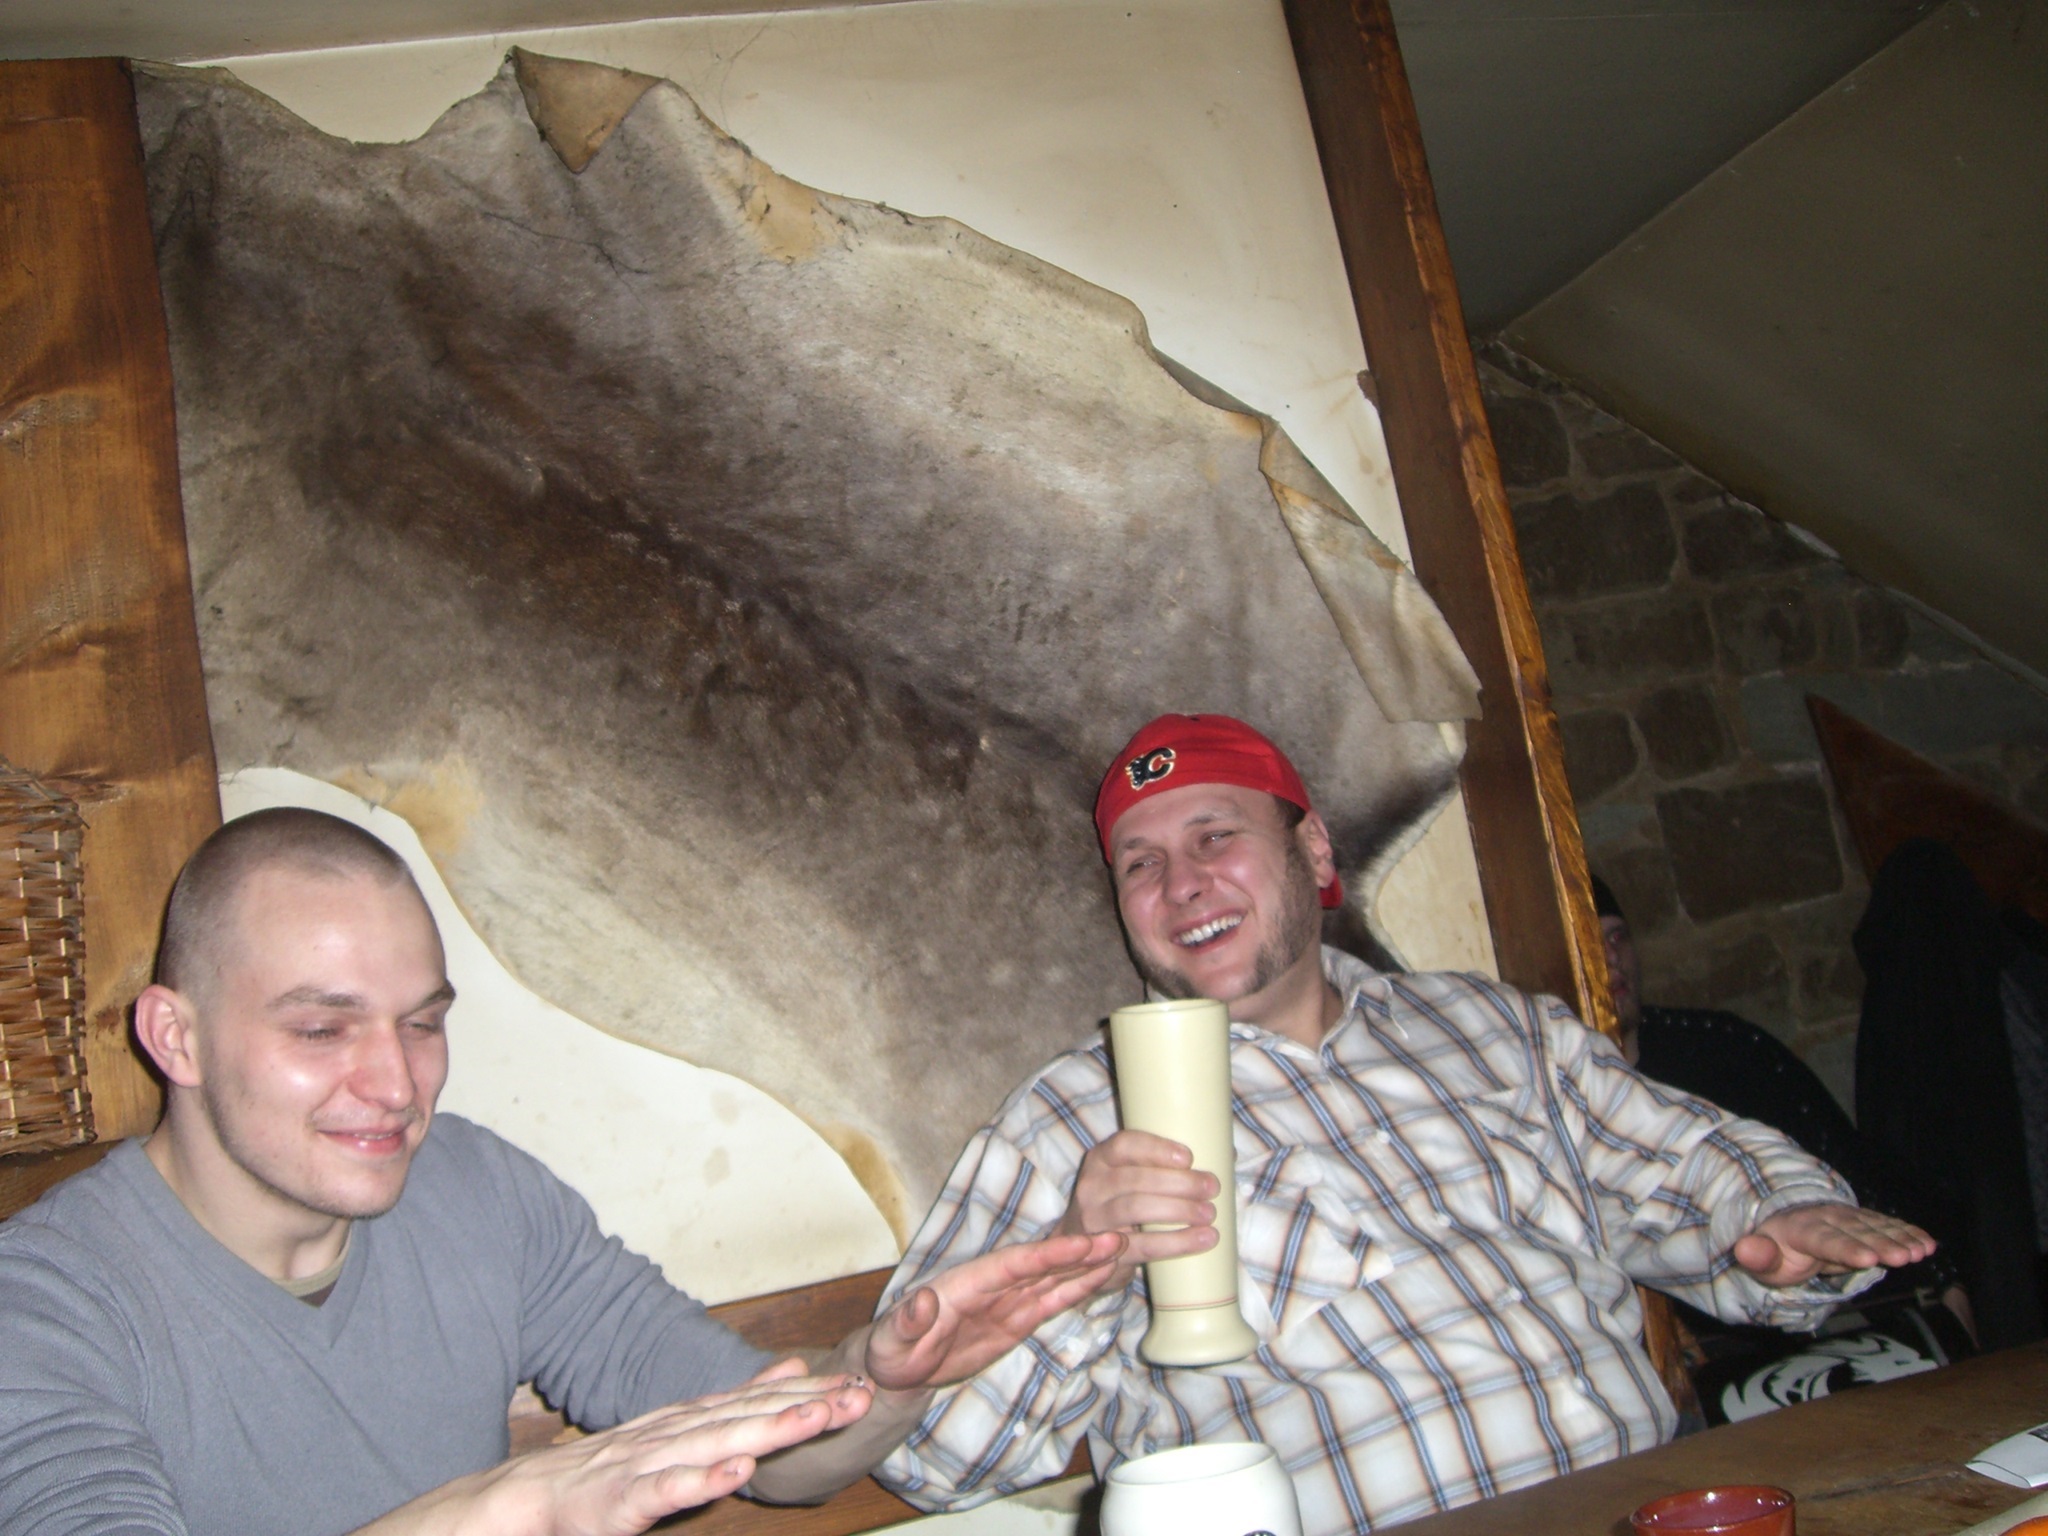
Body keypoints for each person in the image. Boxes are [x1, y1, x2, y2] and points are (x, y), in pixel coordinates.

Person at [874, 714, 1934, 1533]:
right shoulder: (1070, 1120)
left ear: (1312, 849)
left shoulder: (1492, 1028)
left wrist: (1782, 1215)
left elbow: (1686, 1164)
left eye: (1215, 836)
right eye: (1139, 863)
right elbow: (932, 1455)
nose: (1181, 883)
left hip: (1639, 1506)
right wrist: (1082, 1265)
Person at [0, 808, 1124, 1536]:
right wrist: (499, 1510)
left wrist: (885, 1382)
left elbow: (781, 1464)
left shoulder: (477, 1191)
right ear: (178, 1037)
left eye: (422, 1024)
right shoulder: (43, 1303)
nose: (395, 1085)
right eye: (321, 1029)